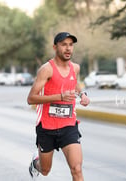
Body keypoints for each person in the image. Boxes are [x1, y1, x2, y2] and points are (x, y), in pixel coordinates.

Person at [27, 32, 90, 181]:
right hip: (46, 127)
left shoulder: (75, 68)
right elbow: (31, 98)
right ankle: (35, 164)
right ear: (55, 47)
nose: (68, 49)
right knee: (45, 170)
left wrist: (83, 95)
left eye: (70, 45)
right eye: (64, 45)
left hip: (68, 125)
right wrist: (60, 97)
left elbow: (74, 83)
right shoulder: (46, 69)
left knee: (76, 169)